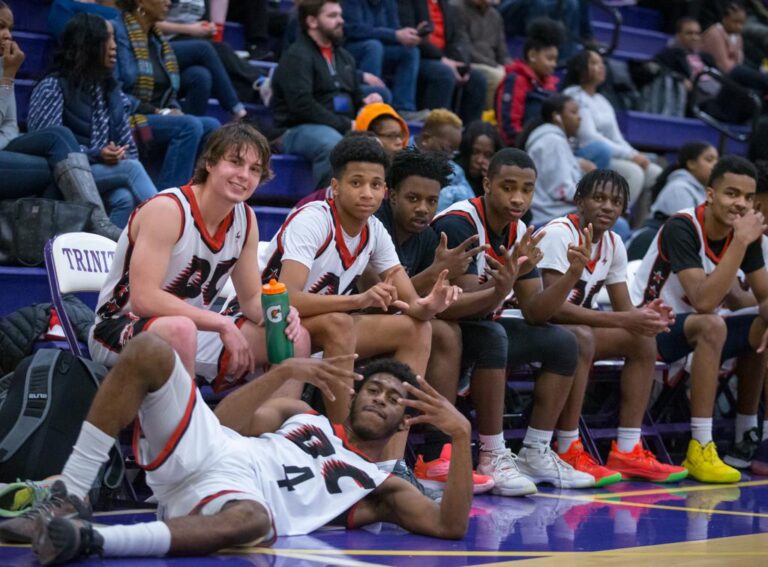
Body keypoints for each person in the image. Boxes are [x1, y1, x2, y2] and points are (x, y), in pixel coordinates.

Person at [0, 337, 475, 562]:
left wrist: (458, 436)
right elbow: (226, 423)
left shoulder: (380, 483)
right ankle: (71, 493)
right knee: (149, 350)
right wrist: (280, 371)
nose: (380, 399)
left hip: (234, 497)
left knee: (256, 522)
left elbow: (449, 526)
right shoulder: (301, 415)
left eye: (394, 399)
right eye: (374, 388)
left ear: (404, 419)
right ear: (355, 392)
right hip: (211, 447)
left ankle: (92, 541)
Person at [375, 148, 553, 495]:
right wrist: (494, 283)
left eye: (431, 200)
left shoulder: (428, 236)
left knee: (564, 342)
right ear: (391, 194)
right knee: (448, 331)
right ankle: (432, 453)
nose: (424, 209)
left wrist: (508, 280)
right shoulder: (395, 225)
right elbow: (381, 296)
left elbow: (530, 310)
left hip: (402, 324)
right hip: (354, 320)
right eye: (413, 198)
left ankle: (524, 450)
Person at [88, 122, 310, 398]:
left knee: (296, 337)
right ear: (210, 163)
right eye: (235, 162)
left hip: (190, 329)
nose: (244, 175)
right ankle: (184, 433)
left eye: (254, 169)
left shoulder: (246, 219)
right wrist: (219, 323)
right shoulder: (167, 209)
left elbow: (251, 299)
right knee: (181, 329)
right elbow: (144, 299)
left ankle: (273, 429)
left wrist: (280, 314)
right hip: (119, 327)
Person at [260, 133, 461, 428]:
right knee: (340, 322)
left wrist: (432, 304)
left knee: (417, 329)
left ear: (384, 191)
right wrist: (358, 300)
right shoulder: (312, 219)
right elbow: (289, 297)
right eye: (357, 183)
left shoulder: (375, 231)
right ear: (335, 187)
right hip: (267, 320)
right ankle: (347, 439)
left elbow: (411, 304)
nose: (367, 193)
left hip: (314, 326)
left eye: (376, 184)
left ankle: (389, 454)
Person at [432, 148, 595, 492]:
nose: (518, 197)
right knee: (493, 336)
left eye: (527, 189)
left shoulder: (518, 229)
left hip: (480, 322)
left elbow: (535, 311)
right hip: (443, 327)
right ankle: (491, 454)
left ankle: (535, 452)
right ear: (487, 183)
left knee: (564, 342)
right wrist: (503, 279)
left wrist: (572, 275)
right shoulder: (459, 222)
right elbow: (460, 304)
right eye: (508, 187)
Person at [535, 169, 688, 484]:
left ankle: (628, 449)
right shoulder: (558, 234)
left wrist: (649, 316)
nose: (607, 206)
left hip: (575, 333)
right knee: (582, 337)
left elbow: (624, 311)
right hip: (531, 326)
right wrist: (626, 319)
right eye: (599, 198)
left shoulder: (615, 242)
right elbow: (554, 311)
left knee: (642, 341)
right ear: (580, 200)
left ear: (623, 210)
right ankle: (567, 447)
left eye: (615, 201)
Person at [630, 155, 768, 483]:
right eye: (731, 194)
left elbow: (763, 297)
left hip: (700, 333)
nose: (741, 204)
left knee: (756, 323)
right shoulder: (682, 226)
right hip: (649, 328)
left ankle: (752, 438)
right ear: (710, 194)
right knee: (712, 323)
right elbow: (704, 301)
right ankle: (701, 446)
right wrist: (742, 241)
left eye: (748, 198)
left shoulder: (741, 235)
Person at [0, 1, 121, 240]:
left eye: (10, 28)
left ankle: (51, 245)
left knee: (59, 146)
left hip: (5, 149)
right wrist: (8, 77)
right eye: (1, 27)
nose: (8, 35)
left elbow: (10, 125)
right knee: (59, 159)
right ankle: (96, 225)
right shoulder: (8, 69)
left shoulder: (3, 64)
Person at [28, 13, 158, 229]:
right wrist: (97, 155)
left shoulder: (111, 91)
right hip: (60, 176)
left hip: (98, 175)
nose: (114, 46)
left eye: (115, 39)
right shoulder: (53, 87)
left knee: (123, 198)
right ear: (87, 44)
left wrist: (119, 154)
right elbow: (44, 148)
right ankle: (172, 227)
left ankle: (106, 257)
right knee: (132, 169)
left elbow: (130, 150)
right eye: (107, 39)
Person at [272, 0, 384, 190]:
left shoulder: (344, 57)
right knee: (333, 145)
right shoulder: (297, 55)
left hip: (341, 125)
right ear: (312, 21)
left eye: (340, 15)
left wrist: (367, 103)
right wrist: (347, 124)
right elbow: (301, 106)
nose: (340, 20)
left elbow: (356, 98)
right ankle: (325, 210)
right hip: (298, 129)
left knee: (384, 143)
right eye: (332, 16)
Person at [112, 0, 221, 190]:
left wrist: (171, 111)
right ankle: (170, 202)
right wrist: (159, 112)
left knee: (212, 126)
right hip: (125, 118)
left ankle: (197, 198)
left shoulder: (158, 40)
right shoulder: (116, 33)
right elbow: (113, 93)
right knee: (190, 126)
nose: (169, 1)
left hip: (157, 117)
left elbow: (168, 94)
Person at [563, 49, 663, 219]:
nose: (601, 67)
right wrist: (630, 157)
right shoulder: (573, 95)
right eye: (594, 63)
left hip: (610, 153)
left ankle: (641, 226)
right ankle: (614, 219)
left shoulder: (602, 100)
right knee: (633, 172)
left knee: (655, 173)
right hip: (586, 154)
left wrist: (635, 154)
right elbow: (589, 137)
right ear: (580, 68)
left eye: (602, 63)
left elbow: (616, 137)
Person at [399, 0, 487, 123]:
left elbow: (458, 38)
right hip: (420, 58)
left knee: (477, 79)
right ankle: (437, 128)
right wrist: (441, 59)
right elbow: (412, 38)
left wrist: (461, 63)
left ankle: (470, 134)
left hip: (446, 59)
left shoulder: (446, 5)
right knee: (443, 73)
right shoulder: (408, 3)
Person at [627, 141, 718, 261]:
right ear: (691, 164)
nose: (715, 165)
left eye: (717, 160)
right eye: (709, 160)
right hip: (651, 245)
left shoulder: (701, 191)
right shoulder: (679, 188)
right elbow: (687, 230)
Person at [340, 0, 426, 121]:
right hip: (353, 48)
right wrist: (395, 35)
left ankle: (403, 109)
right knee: (373, 46)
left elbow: (394, 29)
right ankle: (370, 103)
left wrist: (409, 36)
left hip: (380, 47)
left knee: (410, 52)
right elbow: (354, 30)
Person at [521, 94, 596, 227]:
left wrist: (578, 164)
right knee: (617, 224)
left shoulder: (553, 139)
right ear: (557, 117)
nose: (579, 117)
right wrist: (594, 198)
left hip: (553, 212)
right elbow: (561, 190)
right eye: (573, 112)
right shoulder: (553, 142)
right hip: (549, 216)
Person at [495, 18, 562, 148]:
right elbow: (509, 128)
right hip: (522, 150)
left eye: (555, 60)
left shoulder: (550, 87)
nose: (554, 65)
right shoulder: (516, 80)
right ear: (532, 55)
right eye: (549, 59)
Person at [451, 0, 510, 110]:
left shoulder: (495, 16)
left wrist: (510, 68)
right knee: (497, 77)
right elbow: (464, 48)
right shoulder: (457, 9)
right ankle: (489, 119)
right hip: (469, 62)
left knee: (516, 78)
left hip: (493, 66)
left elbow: (502, 52)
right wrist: (493, 65)